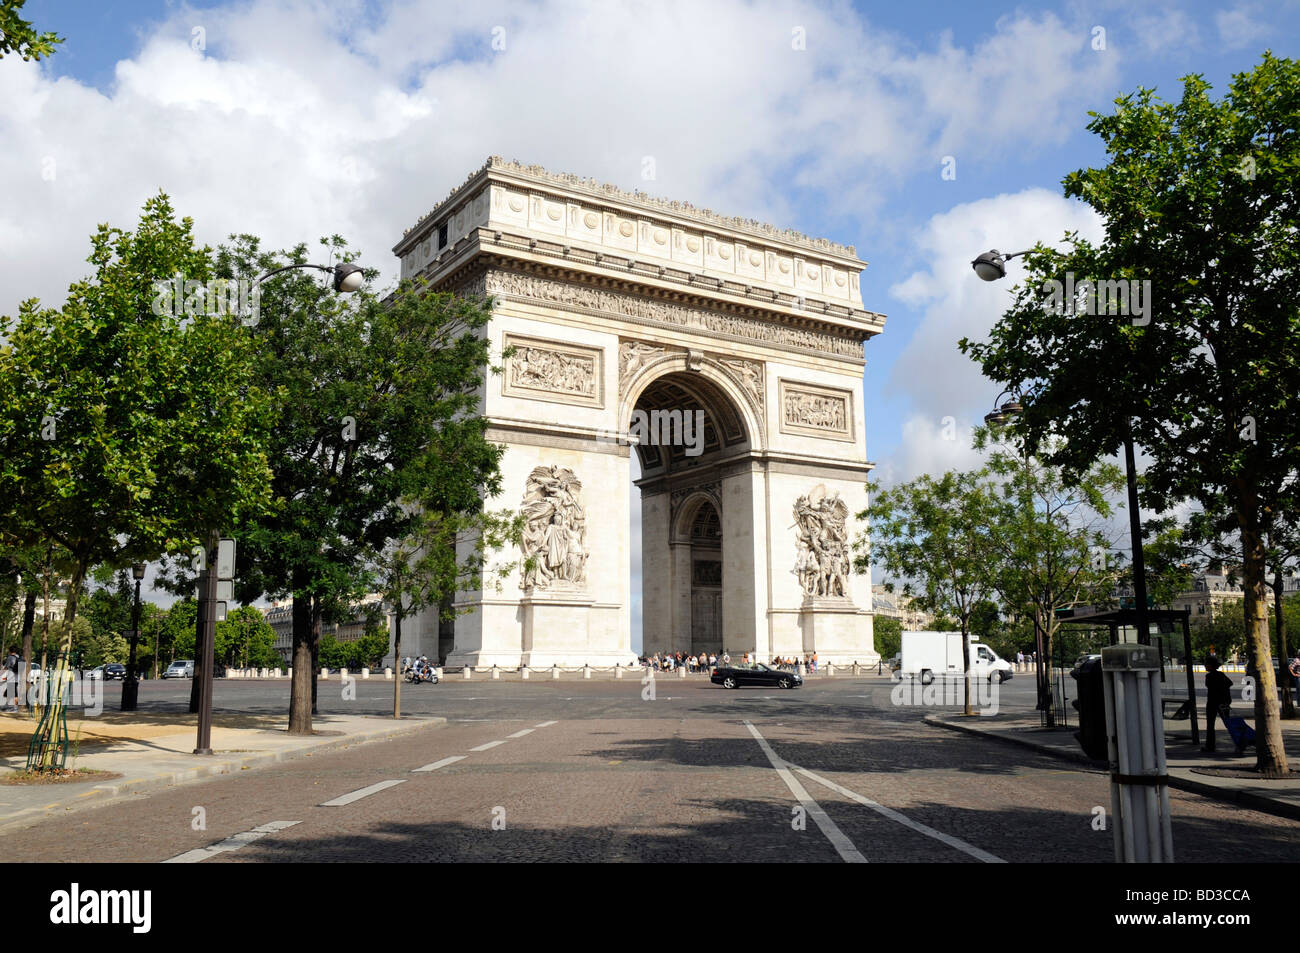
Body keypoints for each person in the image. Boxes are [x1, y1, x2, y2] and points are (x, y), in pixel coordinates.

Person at [1202, 656, 1234, 753]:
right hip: (1223, 702)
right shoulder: (1221, 674)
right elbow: (1230, 683)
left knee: (1210, 725)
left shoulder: (1209, 676)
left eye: (1206, 664)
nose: (1205, 666)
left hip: (1212, 703)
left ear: (1211, 666)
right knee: (1228, 723)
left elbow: (1210, 687)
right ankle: (1239, 741)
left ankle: (1210, 746)